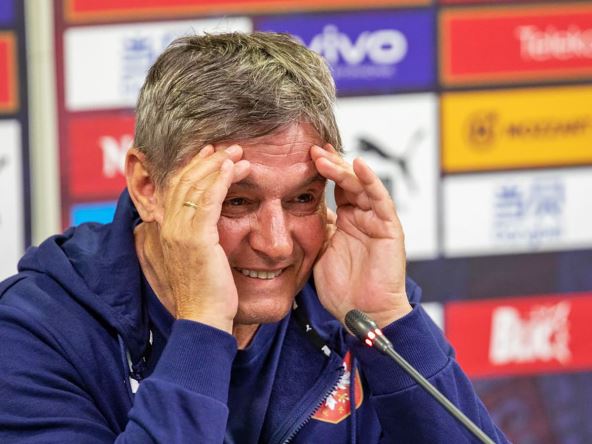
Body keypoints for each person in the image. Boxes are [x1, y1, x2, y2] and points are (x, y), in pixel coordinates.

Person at [0, 32, 508, 443]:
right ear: (148, 186)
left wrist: (390, 318)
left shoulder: (350, 307)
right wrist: (203, 324)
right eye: (236, 201)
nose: (277, 244)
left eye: (303, 199)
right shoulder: (34, 332)